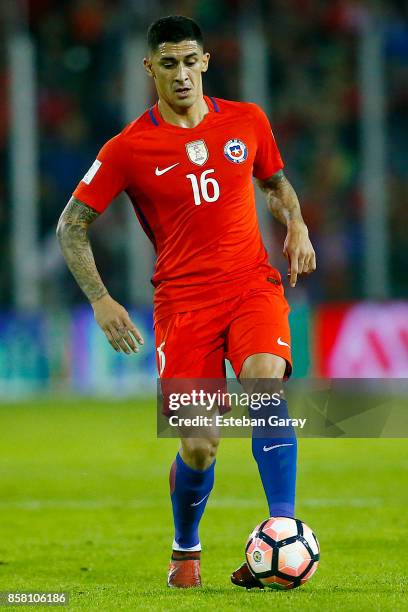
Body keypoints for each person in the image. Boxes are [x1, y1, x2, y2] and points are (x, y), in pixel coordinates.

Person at [57, 15, 316, 589]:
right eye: (168, 64)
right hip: (183, 304)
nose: (181, 74)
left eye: (190, 61)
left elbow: (275, 183)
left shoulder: (247, 121)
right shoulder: (128, 147)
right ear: (150, 68)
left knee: (265, 383)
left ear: (205, 62)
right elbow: (71, 225)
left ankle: (282, 528)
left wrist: (296, 222)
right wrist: (100, 300)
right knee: (200, 446)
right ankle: (185, 548)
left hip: (252, 286)